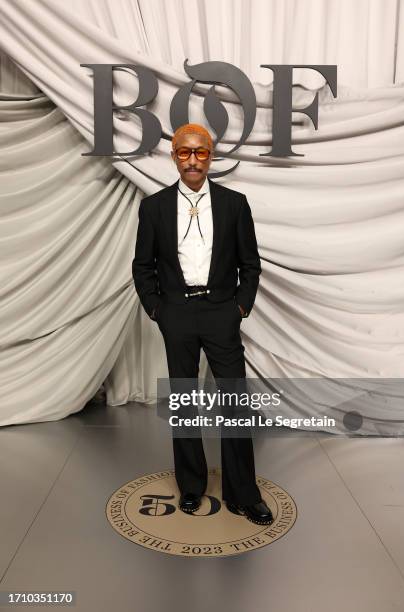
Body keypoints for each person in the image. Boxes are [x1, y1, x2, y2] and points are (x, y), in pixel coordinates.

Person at [132, 123, 273, 525]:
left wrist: (239, 308)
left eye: (201, 152)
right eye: (184, 152)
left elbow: (251, 264)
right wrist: (158, 310)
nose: (193, 160)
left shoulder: (234, 204)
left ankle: (244, 494)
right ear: (174, 156)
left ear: (211, 157)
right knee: (184, 402)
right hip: (175, 313)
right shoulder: (154, 207)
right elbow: (143, 266)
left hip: (221, 313)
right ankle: (191, 486)